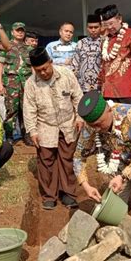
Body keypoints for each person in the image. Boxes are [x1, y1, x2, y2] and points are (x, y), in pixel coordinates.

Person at [74, 90, 131, 225]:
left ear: (109, 110)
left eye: (100, 124)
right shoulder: (90, 127)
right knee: (113, 209)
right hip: (120, 163)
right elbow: (78, 157)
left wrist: (123, 176)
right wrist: (86, 186)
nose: (97, 129)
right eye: (93, 126)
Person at [23, 47, 83, 210]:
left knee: (67, 159)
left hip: (67, 124)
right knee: (46, 161)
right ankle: (49, 195)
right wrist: (32, 130)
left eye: (45, 68)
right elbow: (28, 109)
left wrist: (80, 117)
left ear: (51, 62)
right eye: (38, 70)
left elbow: (78, 97)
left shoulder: (66, 74)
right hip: (45, 127)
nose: (42, 73)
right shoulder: (31, 83)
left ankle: (68, 194)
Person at [98, 4, 131, 104]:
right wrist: (100, 86)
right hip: (107, 91)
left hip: (126, 89)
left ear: (119, 19)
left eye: (111, 23)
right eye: (106, 25)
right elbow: (102, 65)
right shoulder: (105, 40)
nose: (110, 27)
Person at [0, 22, 33, 144]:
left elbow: (33, 68)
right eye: (17, 30)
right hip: (11, 84)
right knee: (11, 110)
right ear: (12, 32)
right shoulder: (6, 46)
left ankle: (26, 135)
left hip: (26, 84)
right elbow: (0, 65)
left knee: (27, 110)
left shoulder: (29, 49)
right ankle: (9, 135)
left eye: (22, 30)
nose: (20, 32)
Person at [71, 14, 102, 93]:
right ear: (87, 28)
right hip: (83, 87)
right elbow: (75, 64)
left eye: (96, 27)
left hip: (101, 86)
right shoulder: (80, 43)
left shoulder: (106, 42)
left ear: (101, 27)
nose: (93, 30)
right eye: (90, 27)